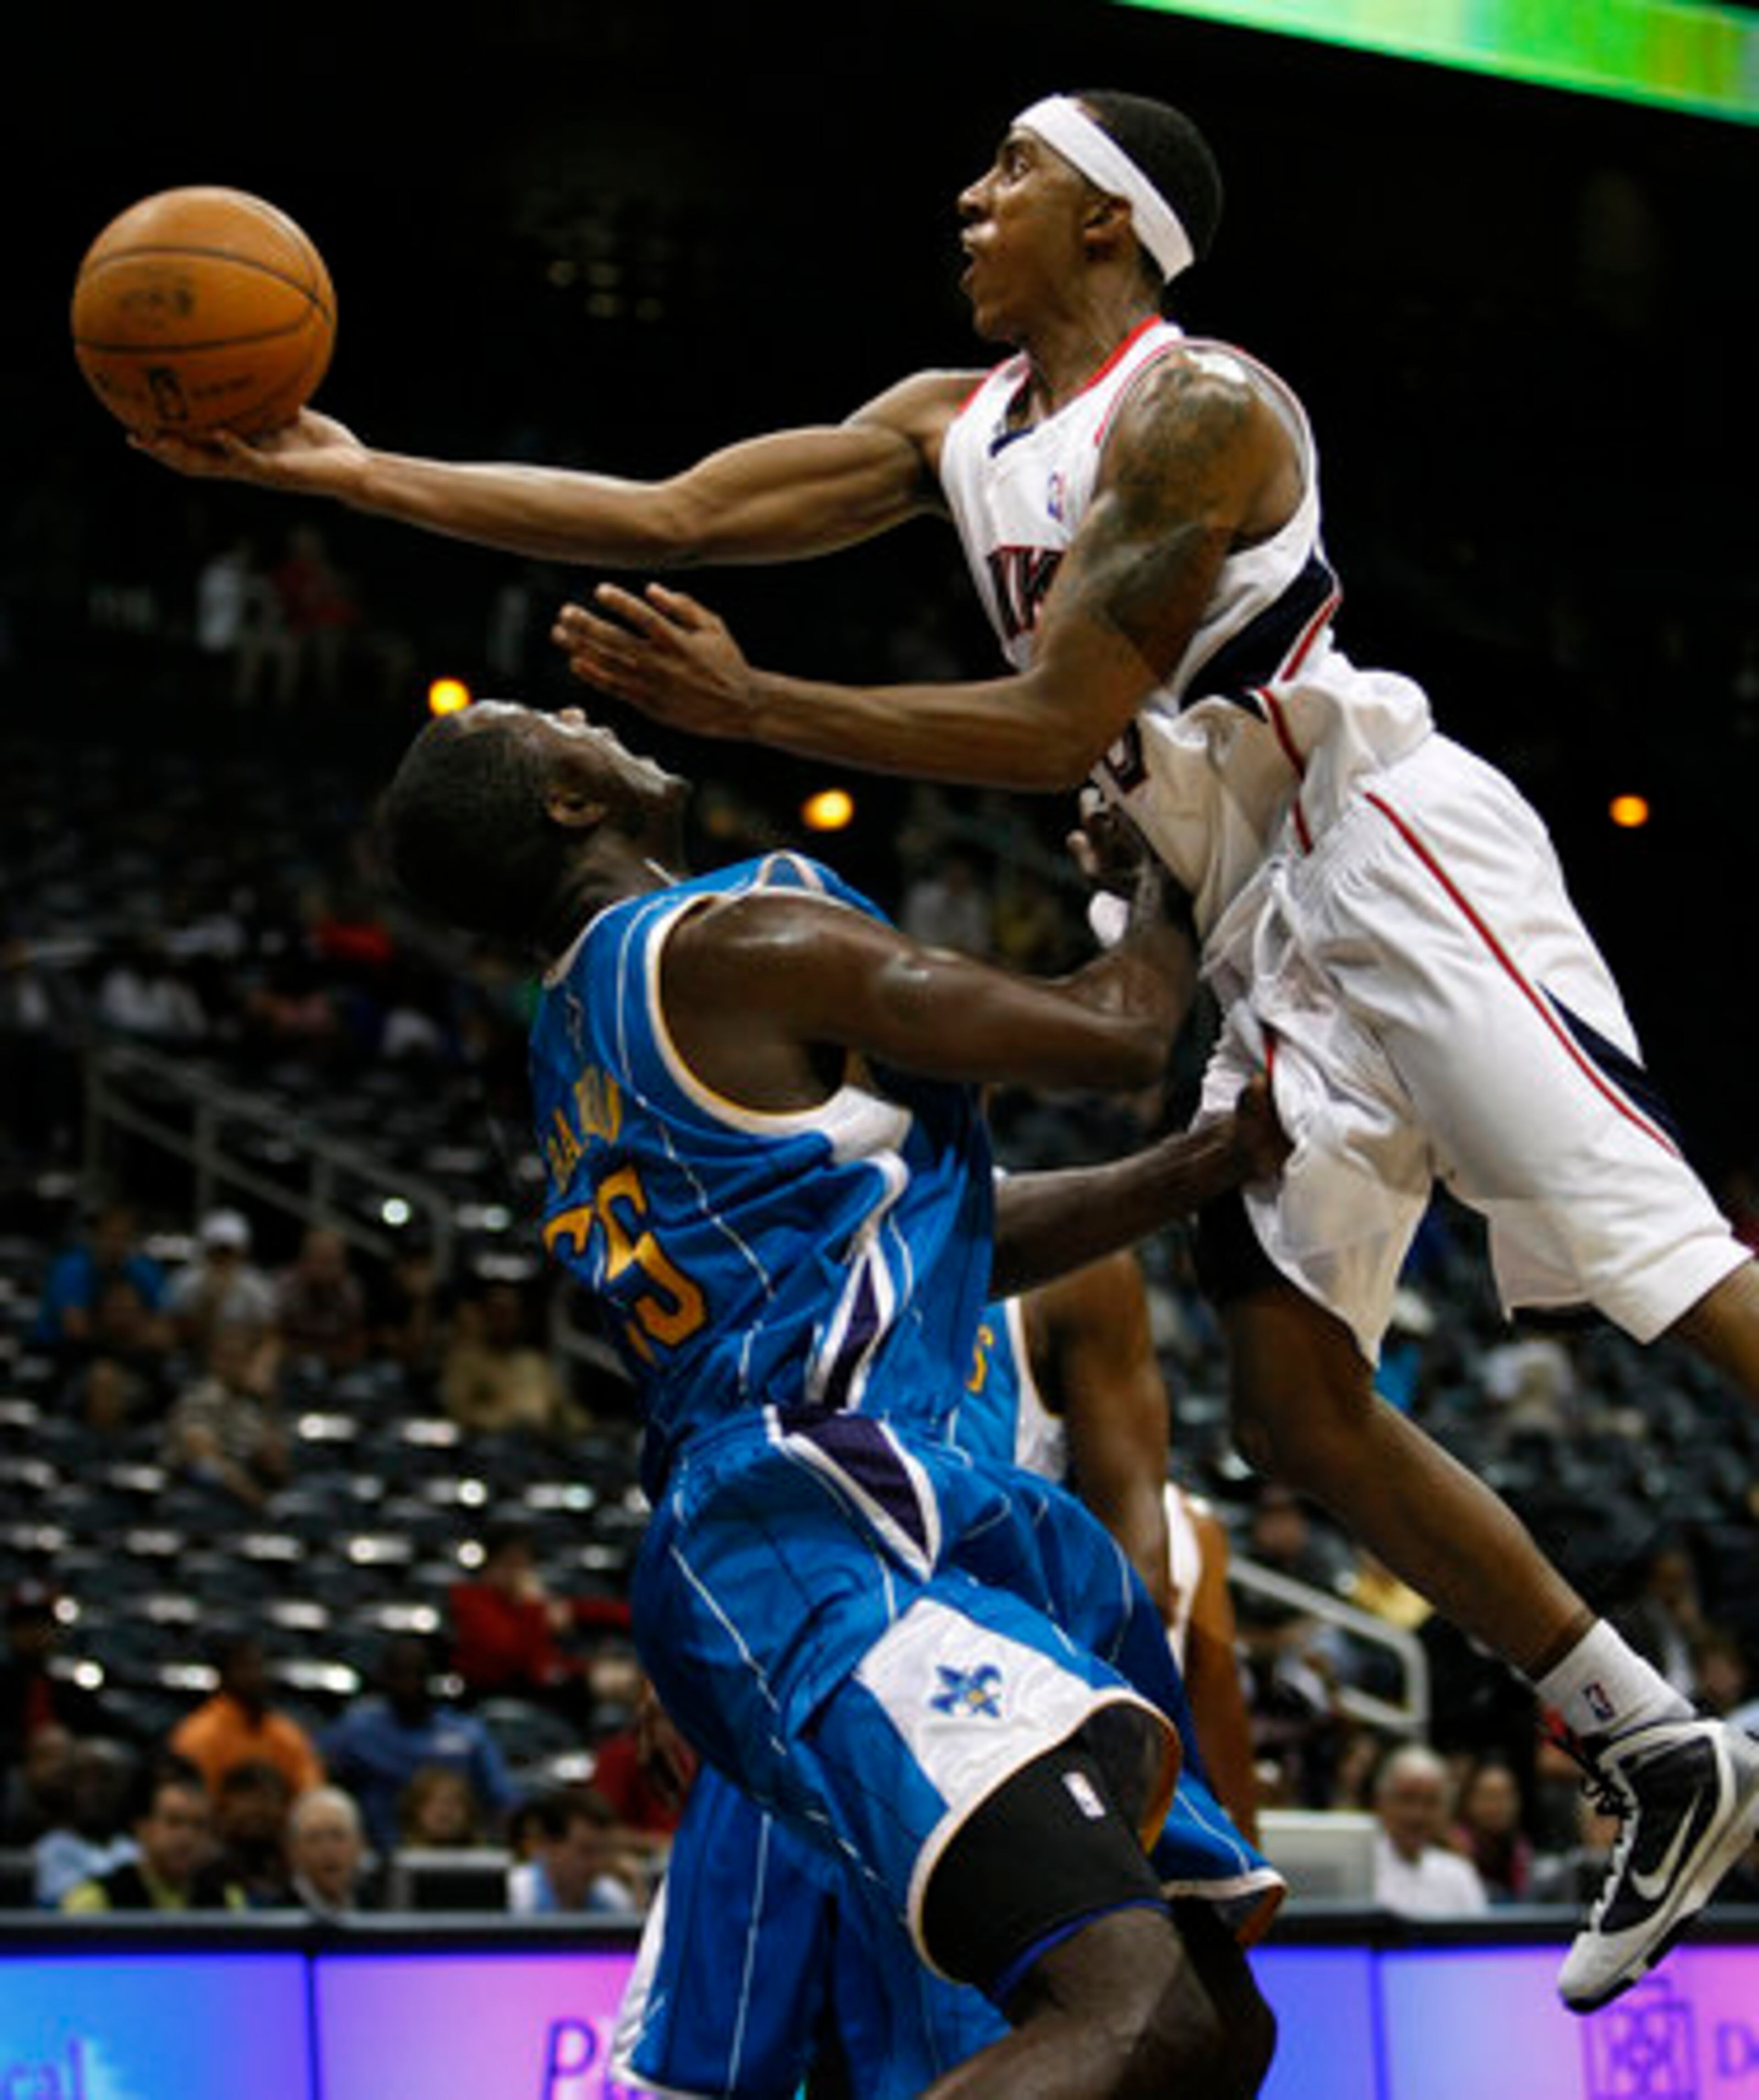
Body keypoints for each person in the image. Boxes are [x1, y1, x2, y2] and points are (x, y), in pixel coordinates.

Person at [131, 84, 1754, 2013]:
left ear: (1114, 225)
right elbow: (675, 516)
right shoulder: (944, 422)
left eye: (1017, 171)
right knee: (1298, 1406)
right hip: (1224, 898)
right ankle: (1654, 1741)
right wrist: (347, 471)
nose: (972, 195)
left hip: (1373, 849)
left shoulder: (1198, 408)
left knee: (1673, 1278)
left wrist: (756, 703)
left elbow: (1063, 704)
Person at [369, 698, 1283, 2096]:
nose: (585, 712)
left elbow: (953, 1237)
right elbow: (1110, 1034)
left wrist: (1202, 1166)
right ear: (566, 799)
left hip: (857, 1515)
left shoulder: (584, 1031)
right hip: (807, 1529)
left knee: (1219, 2029)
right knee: (1130, 2011)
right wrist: (1165, 860)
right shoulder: (732, 943)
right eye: (552, 720)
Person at [614, 1251, 1279, 2097]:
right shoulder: (800, 1210)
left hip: (964, 1712)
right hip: (816, 1676)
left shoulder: (1070, 1267)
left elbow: (1136, 1561)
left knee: (1123, 2022)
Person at [320, 1633, 516, 1855]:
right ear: (384, 1679)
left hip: (458, 1857)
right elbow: (318, 1785)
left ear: (431, 1678)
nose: (409, 1684)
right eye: (400, 1675)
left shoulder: (466, 1735)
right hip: (377, 1855)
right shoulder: (356, 1731)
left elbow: (504, 1802)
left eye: (418, 1674)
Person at [60, 1759, 246, 1913]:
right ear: (143, 1829)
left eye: (199, 1826)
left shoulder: (228, 1902)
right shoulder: (95, 1901)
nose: (187, 1836)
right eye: (174, 1822)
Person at [168, 1633, 325, 1800]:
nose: (257, 1675)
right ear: (225, 1675)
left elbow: (311, 1794)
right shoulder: (198, 1736)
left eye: (261, 1666)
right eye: (246, 1667)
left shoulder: (286, 1732)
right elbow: (192, 1802)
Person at [1370, 1742, 1491, 1920]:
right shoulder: (1360, 1872)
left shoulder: (1459, 1875)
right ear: (1382, 1803)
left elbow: (1480, 1944)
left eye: (1430, 1803)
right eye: (1407, 1799)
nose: (1417, 1815)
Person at [507, 1786, 647, 1918]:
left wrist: (637, 1887)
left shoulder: (612, 1899)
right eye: (586, 1851)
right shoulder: (512, 1896)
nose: (597, 1864)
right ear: (550, 1846)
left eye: (603, 1852)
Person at [286, 1783, 376, 1914]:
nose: (328, 1850)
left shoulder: (381, 1907)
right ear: (294, 1851)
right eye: (314, 1838)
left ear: (360, 1845)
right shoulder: (271, 1917)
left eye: (338, 1835)